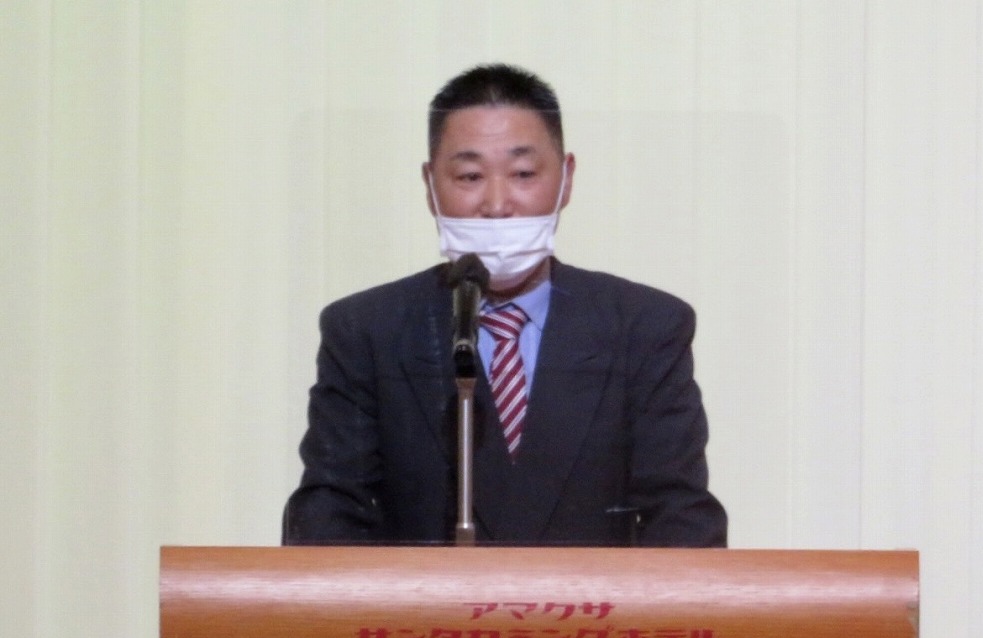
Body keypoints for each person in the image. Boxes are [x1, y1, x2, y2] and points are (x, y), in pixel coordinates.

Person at [283, 63, 726, 547]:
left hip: (587, 598)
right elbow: (328, 516)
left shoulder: (644, 327)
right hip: (425, 598)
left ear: (566, 179)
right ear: (430, 186)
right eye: (470, 175)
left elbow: (681, 517)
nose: (496, 204)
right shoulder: (367, 331)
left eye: (523, 174)